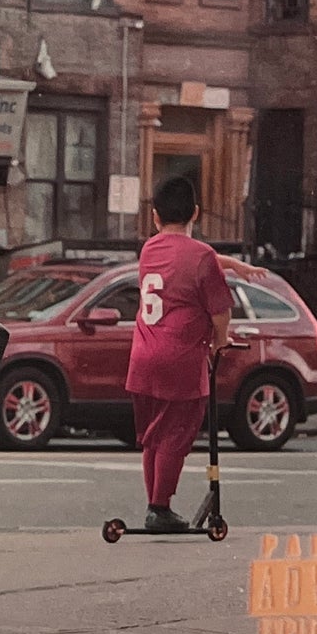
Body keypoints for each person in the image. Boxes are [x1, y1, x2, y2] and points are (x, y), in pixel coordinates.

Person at [126, 176, 233, 533]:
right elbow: (220, 311)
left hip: (143, 355)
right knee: (177, 432)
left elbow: (186, 260)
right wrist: (220, 341)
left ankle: (154, 504)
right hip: (180, 357)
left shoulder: (149, 250)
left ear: (155, 216)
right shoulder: (202, 256)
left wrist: (236, 266)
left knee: (153, 435)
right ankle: (159, 507)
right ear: (196, 213)